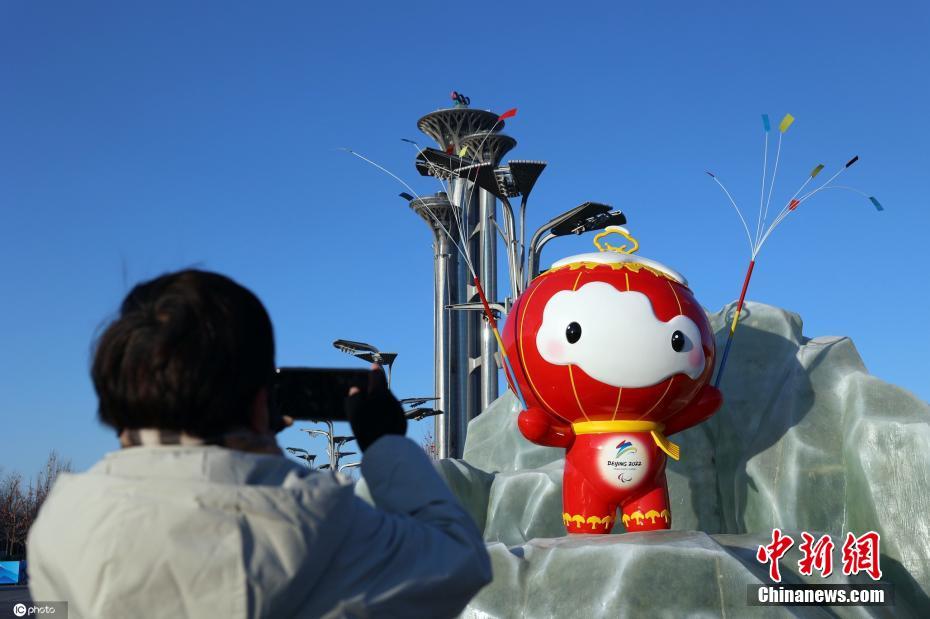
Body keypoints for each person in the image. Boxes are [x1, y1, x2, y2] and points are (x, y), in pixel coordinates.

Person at [27, 269, 492, 618]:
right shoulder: (325, 524)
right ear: (259, 402)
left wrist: (246, 437)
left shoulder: (60, 523)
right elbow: (461, 558)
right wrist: (385, 444)